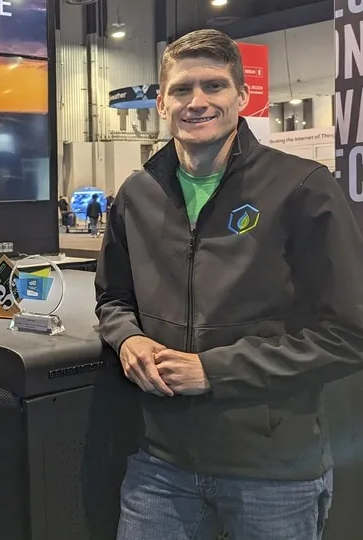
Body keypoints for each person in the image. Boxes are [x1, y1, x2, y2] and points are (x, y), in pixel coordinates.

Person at [95, 28, 363, 540]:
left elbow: (349, 334)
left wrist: (213, 371)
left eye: (214, 87)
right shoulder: (137, 195)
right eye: (181, 90)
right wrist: (127, 337)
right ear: (161, 103)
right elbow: (113, 298)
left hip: (273, 471)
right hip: (161, 467)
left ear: (243, 96)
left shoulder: (302, 187)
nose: (197, 102)